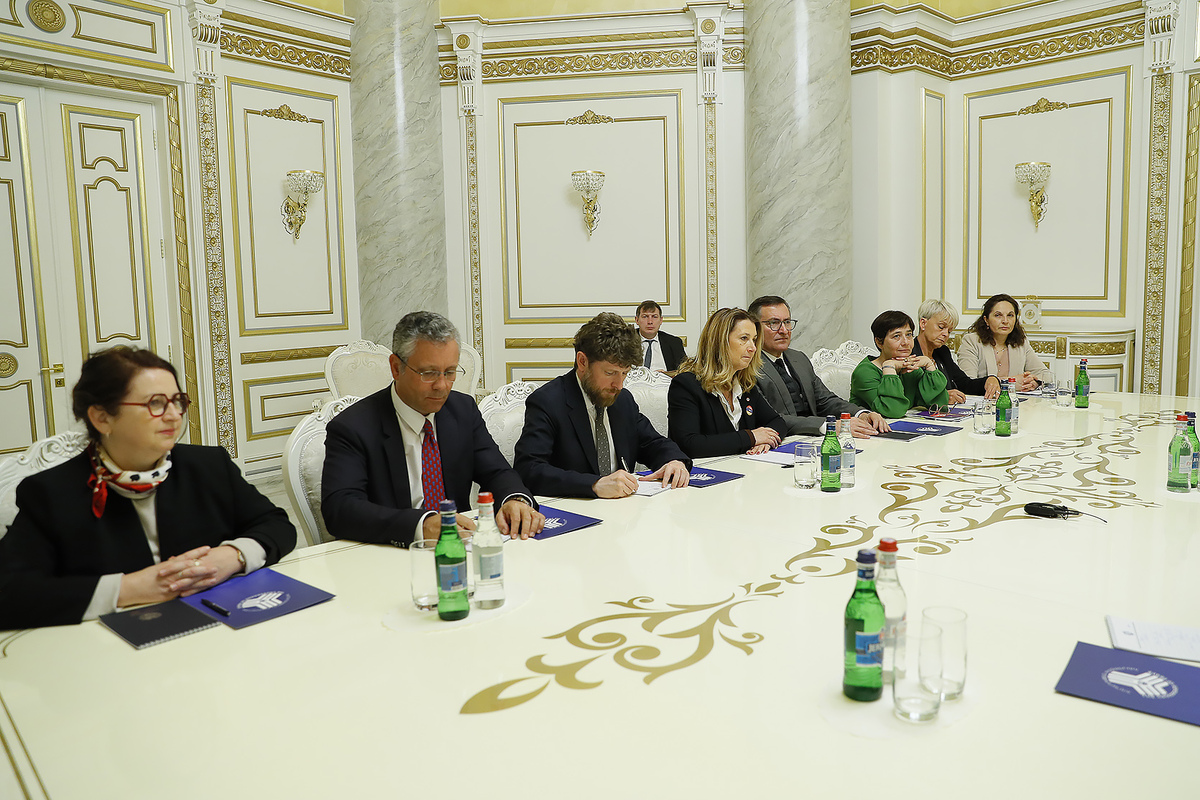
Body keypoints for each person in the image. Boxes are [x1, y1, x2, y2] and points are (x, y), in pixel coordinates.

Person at [0, 347, 295, 629]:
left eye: (177, 401)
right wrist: (128, 588)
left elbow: (276, 524)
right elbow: (9, 591)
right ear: (102, 418)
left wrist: (232, 556)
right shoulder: (50, 492)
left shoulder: (208, 466)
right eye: (155, 403)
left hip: (220, 631)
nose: (174, 415)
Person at [322, 312, 544, 546]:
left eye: (450, 372)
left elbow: (496, 472)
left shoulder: (462, 410)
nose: (442, 386)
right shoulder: (353, 427)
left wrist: (514, 499)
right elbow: (340, 509)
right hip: (392, 552)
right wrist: (421, 525)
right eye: (428, 373)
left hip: (461, 547)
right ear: (396, 368)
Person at [514, 313, 691, 498]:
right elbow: (528, 469)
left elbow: (653, 443)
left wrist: (674, 461)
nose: (619, 385)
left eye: (624, 373)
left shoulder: (623, 400)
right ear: (582, 362)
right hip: (576, 509)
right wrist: (594, 484)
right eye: (610, 373)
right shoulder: (548, 402)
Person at [748, 295, 890, 438]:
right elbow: (770, 418)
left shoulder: (799, 358)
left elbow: (825, 400)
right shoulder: (748, 366)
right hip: (782, 440)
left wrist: (861, 414)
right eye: (774, 323)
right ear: (754, 328)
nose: (784, 330)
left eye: (787, 322)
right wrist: (828, 426)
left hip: (815, 438)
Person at [667, 307, 788, 458]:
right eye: (744, 338)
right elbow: (689, 444)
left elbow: (777, 421)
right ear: (720, 342)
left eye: (754, 340)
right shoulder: (686, 385)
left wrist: (767, 441)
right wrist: (751, 437)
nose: (753, 348)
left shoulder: (745, 385)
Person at [850, 310, 949, 418]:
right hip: (871, 427)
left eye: (909, 335)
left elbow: (940, 405)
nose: (906, 342)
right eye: (897, 336)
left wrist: (929, 365)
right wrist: (889, 368)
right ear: (879, 342)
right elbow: (892, 411)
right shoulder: (865, 372)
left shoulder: (910, 369)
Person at [912, 298, 1002, 403]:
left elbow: (964, 384)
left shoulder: (942, 352)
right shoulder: (908, 351)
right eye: (941, 327)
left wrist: (989, 380)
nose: (945, 334)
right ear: (923, 323)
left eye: (949, 331)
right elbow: (910, 394)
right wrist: (943, 397)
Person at [957, 293, 1053, 391]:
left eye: (1010, 315)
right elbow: (967, 383)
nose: (1005, 321)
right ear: (986, 320)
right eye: (998, 315)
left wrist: (1034, 383)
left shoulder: (1021, 343)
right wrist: (1010, 382)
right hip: (983, 399)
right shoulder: (971, 341)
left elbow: (1045, 374)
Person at [634, 300, 687, 372]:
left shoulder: (674, 343)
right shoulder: (626, 340)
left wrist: (666, 375)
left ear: (661, 320)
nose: (650, 322)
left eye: (654, 317)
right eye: (645, 316)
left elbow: (684, 371)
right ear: (637, 320)